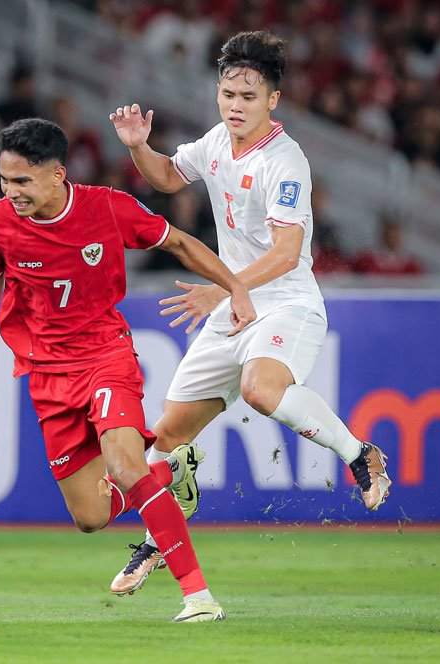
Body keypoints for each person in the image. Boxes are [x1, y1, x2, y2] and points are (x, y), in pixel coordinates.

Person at [0, 118, 256, 623]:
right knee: (90, 517)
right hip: (46, 373)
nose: (10, 192)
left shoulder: (106, 207)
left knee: (125, 466)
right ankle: (169, 470)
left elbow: (178, 242)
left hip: (106, 356)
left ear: (58, 173)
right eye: (4, 180)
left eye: (22, 181)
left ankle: (198, 597)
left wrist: (235, 286)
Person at [108, 30, 393, 594]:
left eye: (248, 96)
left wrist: (226, 288)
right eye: (228, 94)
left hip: (286, 302)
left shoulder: (286, 163)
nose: (235, 106)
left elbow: (288, 253)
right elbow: (167, 176)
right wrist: (139, 145)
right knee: (165, 438)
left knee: (262, 390)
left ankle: (359, 454)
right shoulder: (217, 141)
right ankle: (167, 526)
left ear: (273, 101)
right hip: (234, 301)